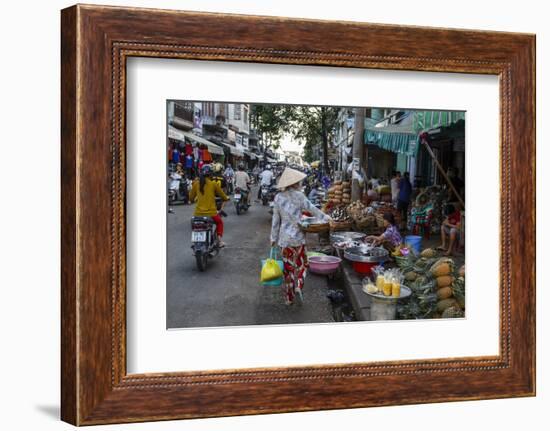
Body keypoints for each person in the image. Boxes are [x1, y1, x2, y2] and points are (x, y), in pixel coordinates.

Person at [270, 167, 331, 305]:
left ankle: (289, 298)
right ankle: (299, 283)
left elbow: (275, 221)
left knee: (288, 269)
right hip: (298, 238)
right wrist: (325, 217)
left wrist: (273, 238)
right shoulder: (300, 196)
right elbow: (312, 209)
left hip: (284, 240)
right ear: (295, 183)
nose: (300, 184)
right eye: (298, 182)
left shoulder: (278, 198)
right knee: (302, 264)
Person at [189, 164, 230, 247]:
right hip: (211, 213)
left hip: (197, 214)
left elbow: (191, 198)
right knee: (219, 223)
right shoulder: (213, 184)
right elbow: (223, 196)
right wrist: (226, 198)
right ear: (211, 174)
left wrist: (194, 199)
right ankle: (219, 241)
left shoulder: (196, 184)